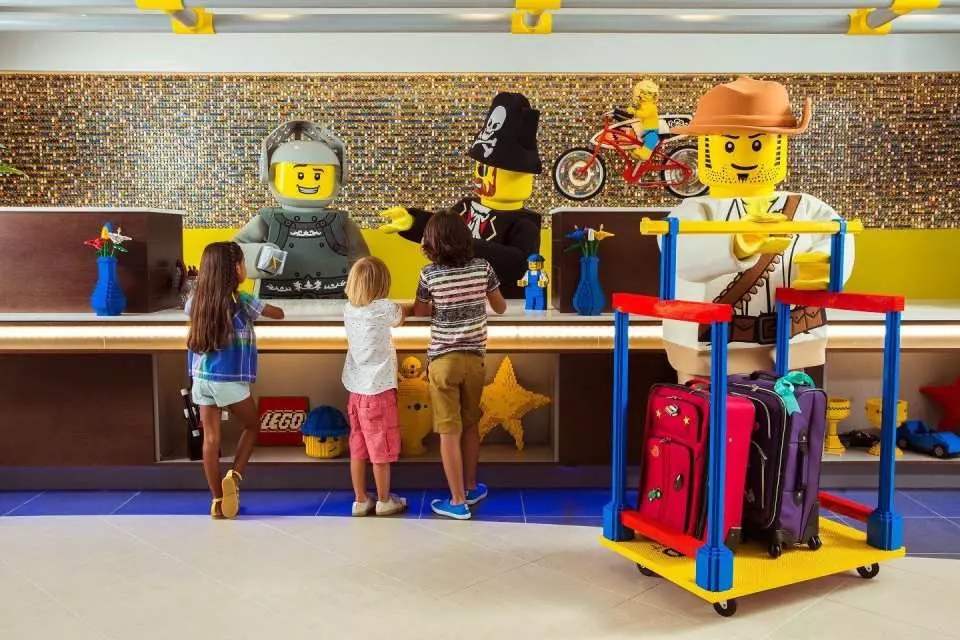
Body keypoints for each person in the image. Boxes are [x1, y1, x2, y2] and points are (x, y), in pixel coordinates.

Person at [412, 210, 507, 520]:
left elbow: (421, 313)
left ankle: (456, 501)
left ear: (431, 242)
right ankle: (470, 486)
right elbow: (500, 307)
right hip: (475, 361)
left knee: (448, 431)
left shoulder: (429, 274)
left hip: (443, 362)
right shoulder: (483, 267)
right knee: (470, 424)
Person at [186, 241, 285, 519]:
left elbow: (188, 309)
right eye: (243, 263)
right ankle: (235, 477)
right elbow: (278, 314)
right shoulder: (242, 301)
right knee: (252, 426)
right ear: (237, 269)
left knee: (211, 439)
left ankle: (217, 500)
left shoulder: (196, 302)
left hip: (201, 379)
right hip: (229, 380)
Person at [342, 256, 410, 517]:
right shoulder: (383, 308)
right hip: (378, 392)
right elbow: (401, 317)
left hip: (355, 392)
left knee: (358, 446)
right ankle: (383, 500)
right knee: (380, 448)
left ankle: (360, 500)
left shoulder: (349, 309)